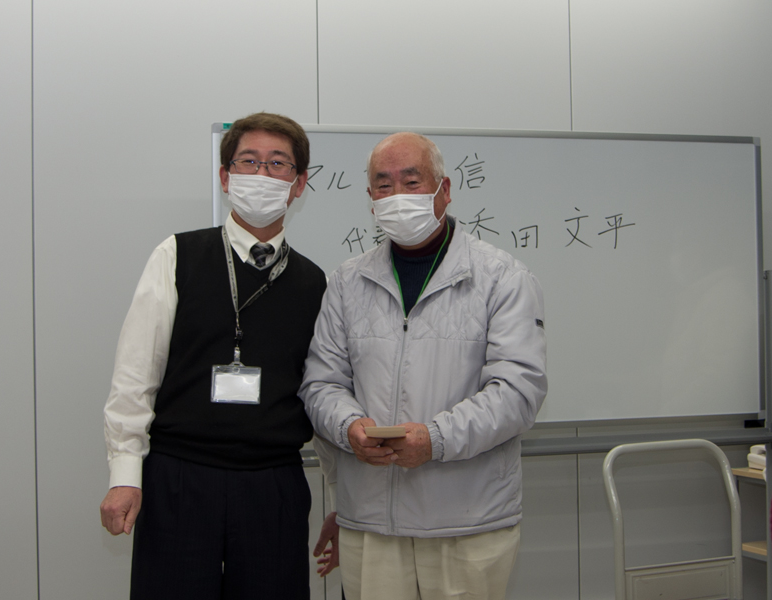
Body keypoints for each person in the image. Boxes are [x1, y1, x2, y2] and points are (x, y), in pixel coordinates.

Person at [300, 132, 548, 600]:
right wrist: (349, 427)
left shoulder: (502, 278)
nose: (397, 196)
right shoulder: (346, 282)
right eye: (383, 185)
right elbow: (320, 383)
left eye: (411, 182)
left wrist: (434, 439)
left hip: (468, 523)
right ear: (370, 198)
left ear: (444, 189)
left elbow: (518, 392)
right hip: (372, 521)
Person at [99, 112, 327, 600]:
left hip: (273, 484)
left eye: (278, 163)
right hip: (180, 479)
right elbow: (135, 373)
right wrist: (124, 475)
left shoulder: (315, 282)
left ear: (298, 184)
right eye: (249, 161)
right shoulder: (176, 255)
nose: (262, 174)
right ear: (226, 177)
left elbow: (321, 391)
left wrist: (344, 500)